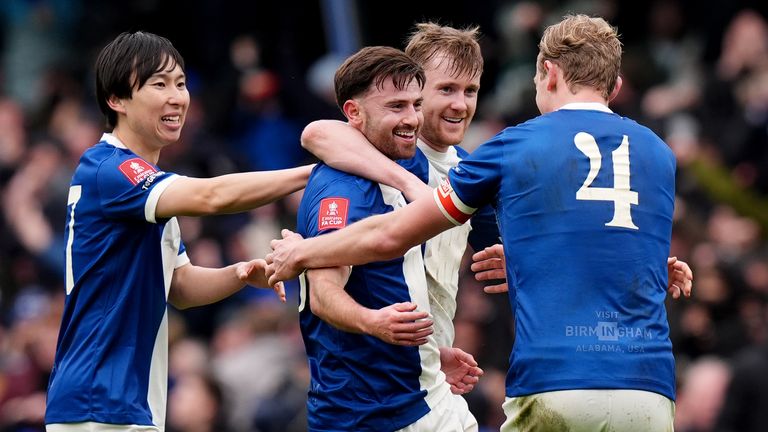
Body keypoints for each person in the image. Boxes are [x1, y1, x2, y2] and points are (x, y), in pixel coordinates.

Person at [267, 15, 687, 431]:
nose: (460, 104)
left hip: (420, 382)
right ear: (412, 88)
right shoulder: (377, 160)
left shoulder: (468, 170)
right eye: (445, 89)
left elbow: (562, 239)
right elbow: (320, 133)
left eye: (470, 91)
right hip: (370, 399)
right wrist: (405, 185)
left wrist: (637, 266)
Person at [44, 31, 313, 432]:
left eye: (181, 83)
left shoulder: (148, 189)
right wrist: (313, 172)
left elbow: (180, 286)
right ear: (115, 100)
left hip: (126, 405)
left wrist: (238, 274)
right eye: (158, 84)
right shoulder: (110, 168)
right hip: (97, 403)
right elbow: (212, 196)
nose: (177, 97)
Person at [294, 45, 478, 432]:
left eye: (414, 104)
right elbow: (323, 293)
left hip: (419, 390)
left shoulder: (405, 166)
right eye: (396, 106)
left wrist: (429, 355)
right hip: (371, 412)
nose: (412, 118)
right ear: (353, 113)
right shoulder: (343, 191)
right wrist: (372, 322)